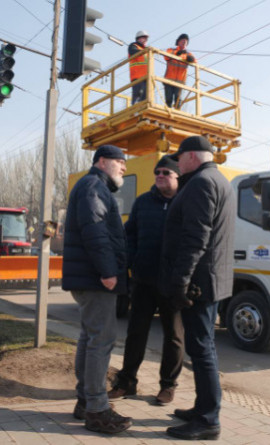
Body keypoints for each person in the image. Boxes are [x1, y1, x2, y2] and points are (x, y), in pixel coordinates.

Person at [160, 135, 235, 441]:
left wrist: (181, 280)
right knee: (201, 347)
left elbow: (195, 237)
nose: (177, 164)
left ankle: (207, 420)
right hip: (211, 280)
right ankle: (202, 407)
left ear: (191, 156)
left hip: (198, 284)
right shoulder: (220, 180)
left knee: (202, 350)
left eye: (179, 159)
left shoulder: (201, 183)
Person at [62, 144, 132, 435]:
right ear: (102, 162)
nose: (124, 169)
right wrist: (108, 271)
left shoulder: (93, 185)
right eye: (120, 164)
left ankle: (85, 401)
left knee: (89, 338)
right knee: (101, 340)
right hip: (95, 278)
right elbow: (95, 229)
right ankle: (97, 410)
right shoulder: (94, 187)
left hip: (88, 277)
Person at [108, 155, 184, 406]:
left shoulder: (184, 203)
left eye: (166, 173)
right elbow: (128, 237)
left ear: (177, 177)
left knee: (173, 336)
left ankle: (168, 386)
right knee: (135, 333)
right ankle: (126, 382)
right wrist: (127, 267)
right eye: (157, 172)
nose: (160, 176)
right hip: (143, 281)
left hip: (172, 284)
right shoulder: (142, 203)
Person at [164, 33, 196, 108]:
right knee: (168, 99)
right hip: (169, 79)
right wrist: (177, 53)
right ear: (178, 42)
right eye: (182, 40)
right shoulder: (171, 50)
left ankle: (176, 114)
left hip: (180, 81)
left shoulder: (188, 54)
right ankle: (168, 112)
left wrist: (191, 59)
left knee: (178, 100)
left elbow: (195, 62)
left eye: (186, 41)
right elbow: (166, 57)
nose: (184, 42)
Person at [128, 30, 149, 104]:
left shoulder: (146, 50)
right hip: (137, 76)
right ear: (138, 38)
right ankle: (135, 110)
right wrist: (144, 51)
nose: (146, 40)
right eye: (144, 38)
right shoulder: (133, 46)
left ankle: (142, 110)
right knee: (137, 95)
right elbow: (133, 52)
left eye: (146, 38)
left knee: (146, 96)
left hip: (146, 77)